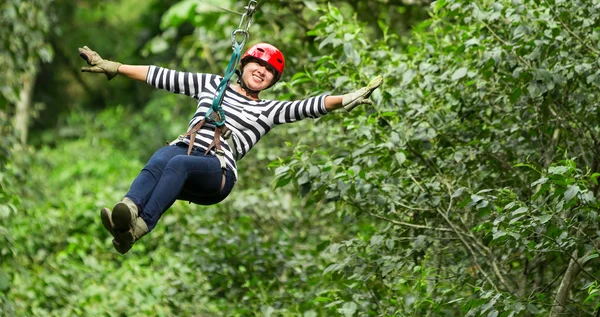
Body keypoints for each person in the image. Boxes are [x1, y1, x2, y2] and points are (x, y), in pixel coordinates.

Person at [78, 43, 382, 254]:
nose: (261, 72)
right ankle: (128, 213)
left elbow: (307, 106)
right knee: (163, 156)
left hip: (217, 172)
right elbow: (160, 75)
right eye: (258, 65)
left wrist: (345, 99)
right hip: (186, 152)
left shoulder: (268, 111)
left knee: (177, 163)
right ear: (244, 65)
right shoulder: (212, 85)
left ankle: (141, 225)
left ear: (272, 81)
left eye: (269, 72)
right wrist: (115, 67)